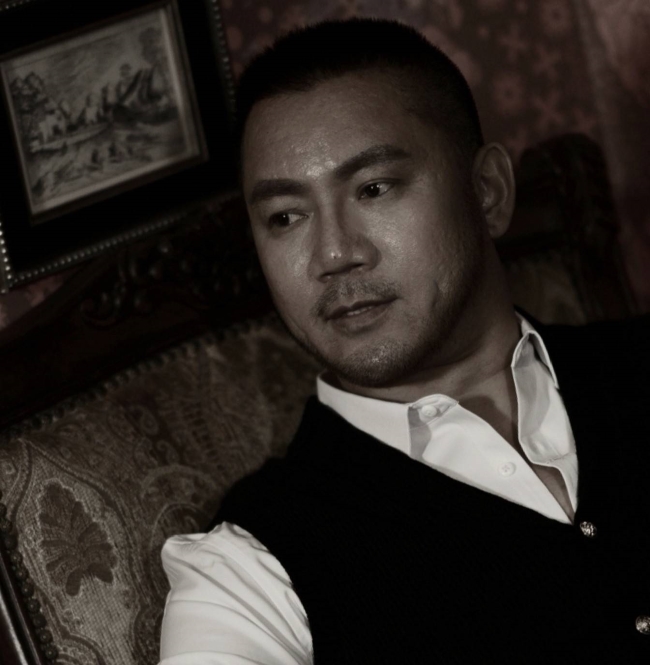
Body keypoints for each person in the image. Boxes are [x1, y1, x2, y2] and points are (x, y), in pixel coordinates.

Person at [158, 18, 650, 664]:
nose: (334, 254)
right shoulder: (247, 574)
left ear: (488, 192)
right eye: (285, 217)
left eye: (373, 188)